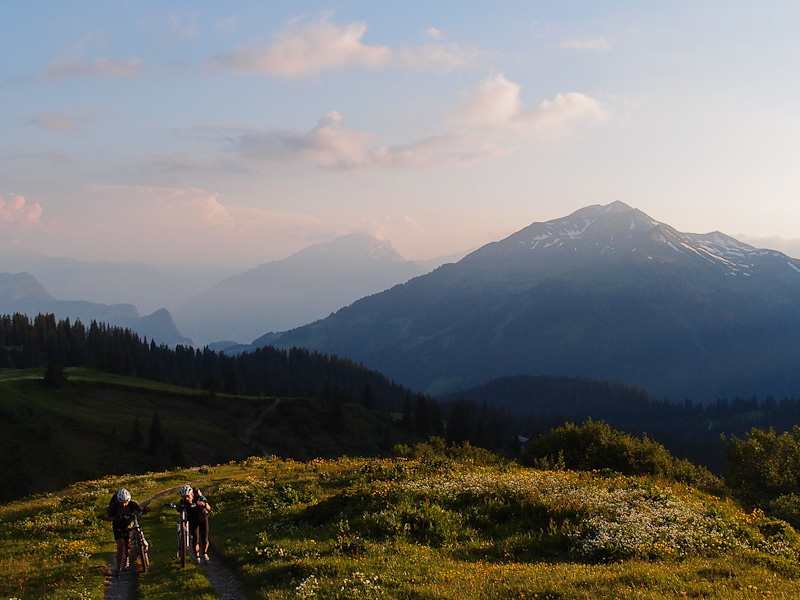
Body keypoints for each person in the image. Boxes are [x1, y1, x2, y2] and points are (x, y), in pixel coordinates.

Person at [104, 488, 151, 576]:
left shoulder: (132, 505)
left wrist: (145, 510)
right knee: (120, 545)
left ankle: (126, 560)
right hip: (118, 526)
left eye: (126, 502)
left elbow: (140, 510)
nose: (124, 504)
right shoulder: (114, 506)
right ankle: (118, 567)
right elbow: (107, 517)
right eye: (122, 502)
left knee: (127, 544)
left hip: (128, 526)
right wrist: (116, 518)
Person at [176, 483, 212, 564]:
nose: (186, 499)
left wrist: (203, 504)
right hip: (192, 521)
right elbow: (180, 513)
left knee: (205, 539)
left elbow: (208, 507)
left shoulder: (199, 497)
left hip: (202, 518)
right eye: (184, 497)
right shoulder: (183, 502)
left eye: (188, 496)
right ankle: (197, 557)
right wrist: (183, 524)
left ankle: (204, 554)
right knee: (195, 539)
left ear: (192, 494)